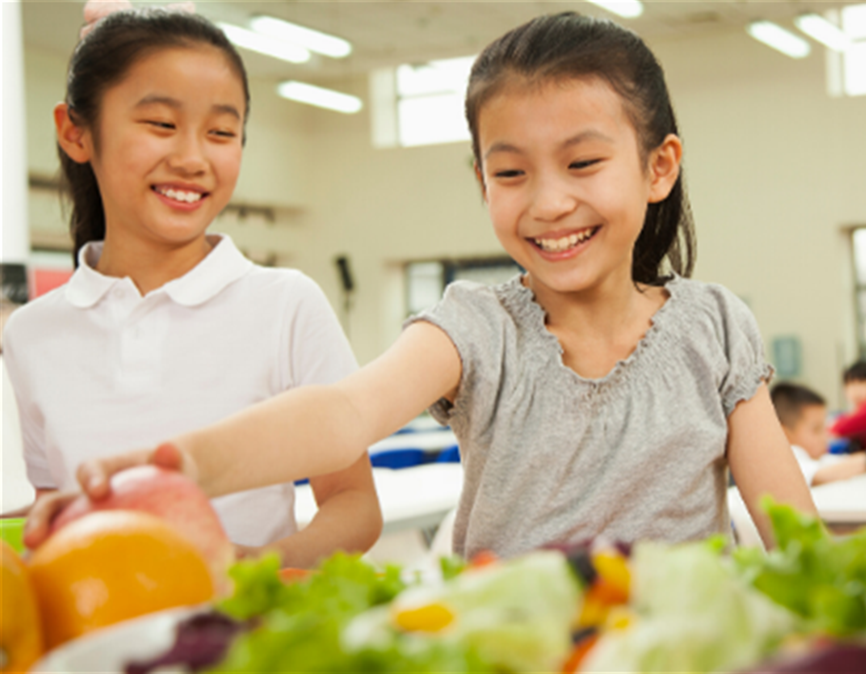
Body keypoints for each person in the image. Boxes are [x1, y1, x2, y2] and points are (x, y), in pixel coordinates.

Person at [25, 12, 815, 559]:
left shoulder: (713, 325)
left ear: (658, 167)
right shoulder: (475, 327)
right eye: (510, 172)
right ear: (482, 182)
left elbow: (791, 532)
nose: (548, 202)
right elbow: (342, 414)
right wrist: (176, 464)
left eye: (582, 164)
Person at [4, 3, 381, 568]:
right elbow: (49, 507)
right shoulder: (32, 332)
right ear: (75, 132)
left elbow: (353, 503)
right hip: (96, 637)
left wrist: (260, 568)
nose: (192, 158)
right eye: (161, 125)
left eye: (222, 132)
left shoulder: (285, 304)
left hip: (239, 639)